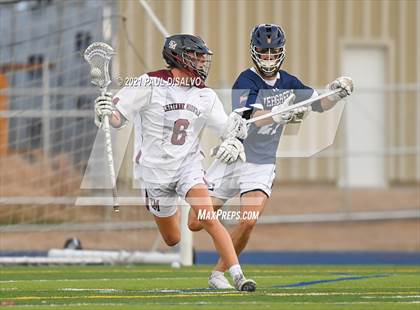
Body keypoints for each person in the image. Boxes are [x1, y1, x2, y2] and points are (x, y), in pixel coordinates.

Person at [188, 24, 354, 289]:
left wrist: (335, 93)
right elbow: (248, 117)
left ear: (281, 52)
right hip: (234, 157)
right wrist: (277, 114)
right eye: (263, 52)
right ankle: (221, 249)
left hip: (261, 164)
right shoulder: (246, 80)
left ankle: (219, 273)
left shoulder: (289, 82)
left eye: (272, 52)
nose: (268, 57)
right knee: (195, 222)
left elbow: (319, 104)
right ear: (254, 53)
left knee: (248, 221)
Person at [93, 34, 255, 291]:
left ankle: (237, 276)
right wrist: (104, 112)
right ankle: (178, 212)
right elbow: (117, 117)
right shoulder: (149, 83)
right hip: (155, 172)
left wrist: (237, 133)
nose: (203, 62)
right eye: (197, 56)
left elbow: (227, 130)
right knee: (173, 238)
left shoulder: (205, 96)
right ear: (178, 57)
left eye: (204, 57)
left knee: (208, 216)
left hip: (187, 166)